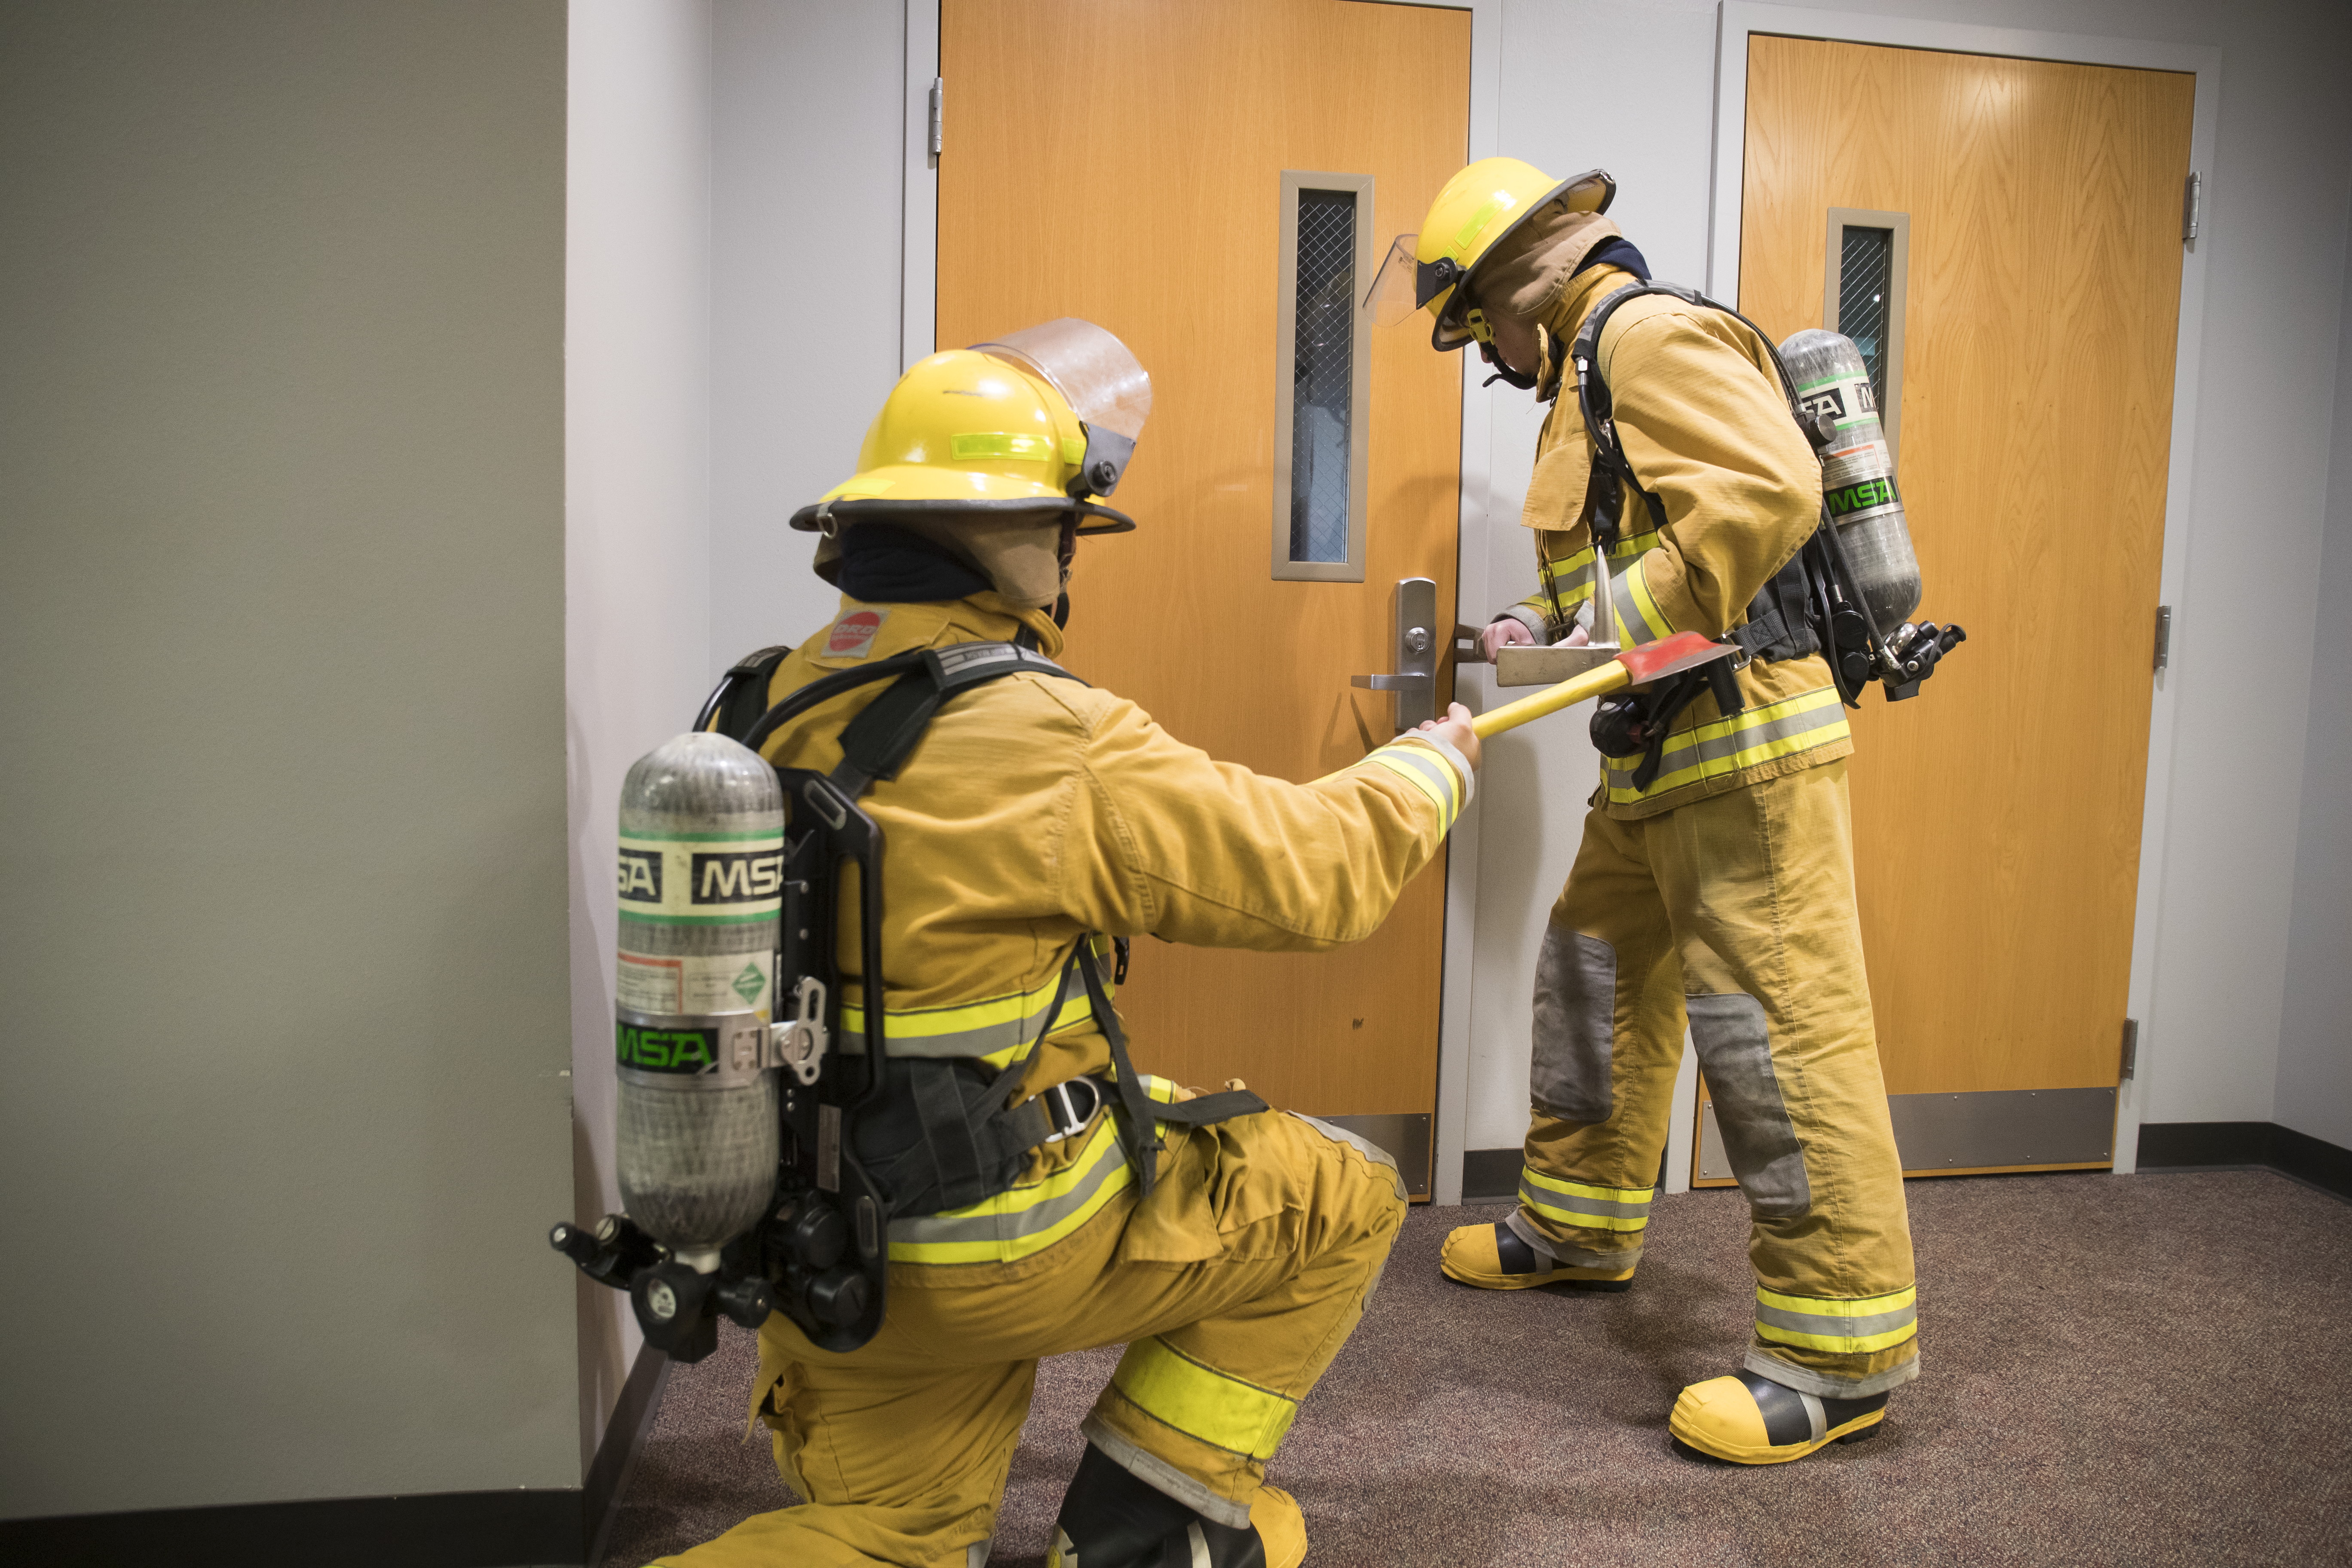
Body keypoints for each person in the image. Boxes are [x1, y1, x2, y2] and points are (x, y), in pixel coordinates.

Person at [660, 320, 1479, 1568]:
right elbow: (1319, 878)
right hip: (1002, 1241)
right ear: (1006, 539)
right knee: (1341, 1196)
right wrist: (1428, 768)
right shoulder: (1049, 731)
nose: (1065, 556)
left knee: (896, 1539)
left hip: (821, 1250)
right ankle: (1145, 1537)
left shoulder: (762, 701)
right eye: (1061, 528)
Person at [1368, 159, 1918, 1463]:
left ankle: (1837, 1353)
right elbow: (1644, 548)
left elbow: (1767, 500)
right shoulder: (1584, 373)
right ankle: (1578, 1222)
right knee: (1596, 973)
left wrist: (1607, 633)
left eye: (1477, 328)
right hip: (1662, 757)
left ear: (1519, 283)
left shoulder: (1646, 334)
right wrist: (1546, 626)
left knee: (1775, 1039)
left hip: (1746, 753)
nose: (1489, 359)